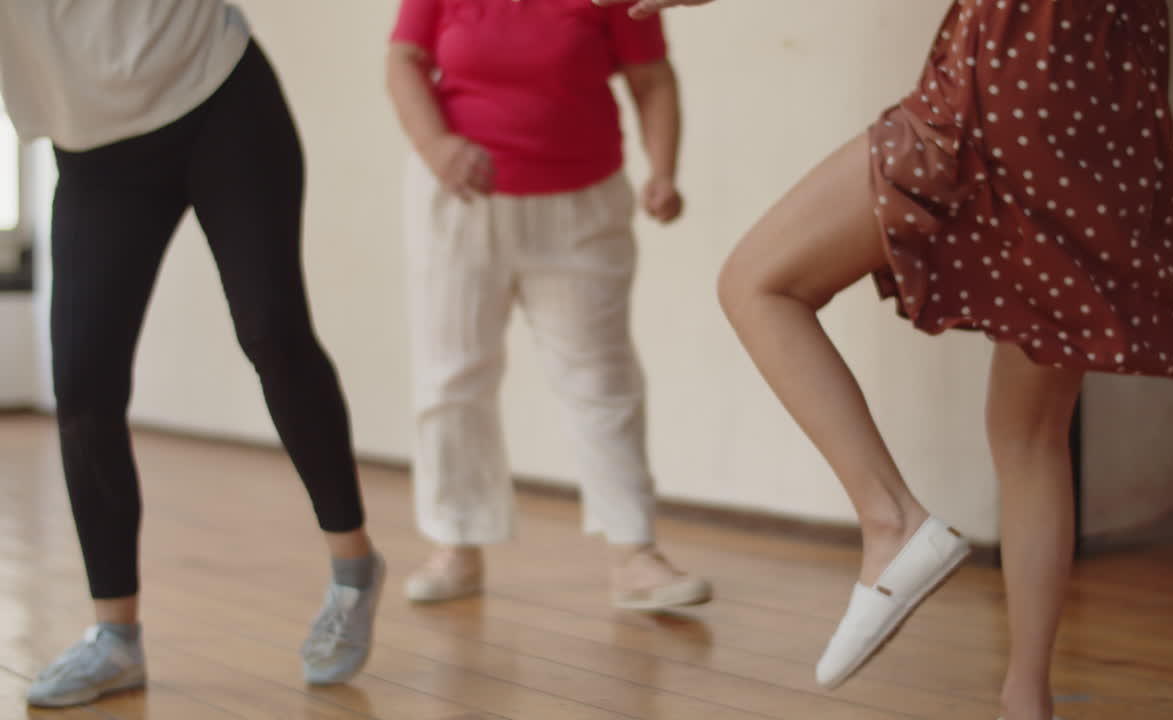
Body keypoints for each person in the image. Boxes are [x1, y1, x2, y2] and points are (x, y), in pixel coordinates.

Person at [597, 1, 1173, 718]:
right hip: (1103, 132)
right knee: (1031, 437)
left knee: (755, 283)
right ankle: (1027, 701)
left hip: (1005, 86)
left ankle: (890, 522)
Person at [0, 0, 385, 707]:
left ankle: (353, 568)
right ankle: (115, 638)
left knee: (272, 329)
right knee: (82, 384)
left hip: (217, 96)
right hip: (94, 148)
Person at [386, 0, 712, 611]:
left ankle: (633, 551)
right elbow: (404, 60)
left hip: (582, 205)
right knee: (451, 376)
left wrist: (663, 170)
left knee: (601, 375)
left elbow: (652, 76)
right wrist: (435, 146)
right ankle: (456, 542)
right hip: (459, 201)